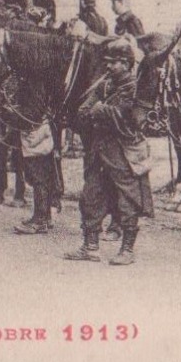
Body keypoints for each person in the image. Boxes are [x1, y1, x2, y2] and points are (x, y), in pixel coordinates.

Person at [63, 40, 153, 266]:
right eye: (108, 63)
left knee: (128, 201)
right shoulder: (105, 85)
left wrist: (102, 110)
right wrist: (103, 111)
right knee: (90, 197)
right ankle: (90, 247)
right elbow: (83, 111)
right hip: (99, 152)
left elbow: (131, 120)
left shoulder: (135, 88)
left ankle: (127, 250)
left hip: (123, 155)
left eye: (114, 63)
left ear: (126, 63)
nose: (109, 67)